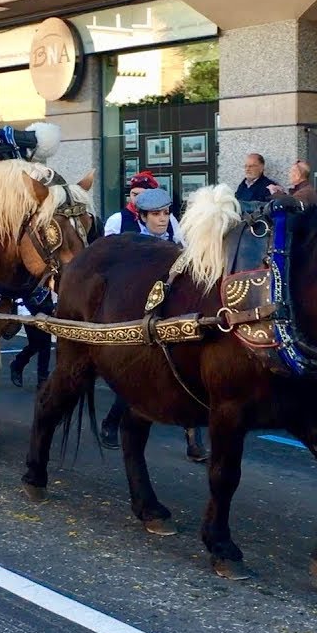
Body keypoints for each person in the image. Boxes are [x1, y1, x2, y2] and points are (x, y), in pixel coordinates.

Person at [99, 187, 207, 463]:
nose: (163, 219)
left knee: (187, 377)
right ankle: (111, 424)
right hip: (138, 318)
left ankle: (194, 440)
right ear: (143, 216)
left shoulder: (173, 233)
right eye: (156, 214)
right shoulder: (133, 242)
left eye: (166, 213)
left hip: (169, 315)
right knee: (137, 380)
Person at [104, 172, 181, 242]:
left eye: (143, 195)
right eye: (134, 194)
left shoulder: (170, 219)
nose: (137, 200)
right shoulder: (117, 220)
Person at [9, 290, 55, 389]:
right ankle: (19, 365)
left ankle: (41, 378)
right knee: (37, 344)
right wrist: (23, 310)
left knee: (43, 344)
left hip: (45, 307)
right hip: (28, 308)